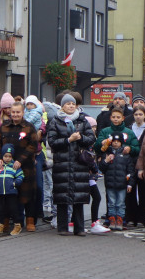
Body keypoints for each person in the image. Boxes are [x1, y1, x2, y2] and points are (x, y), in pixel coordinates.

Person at [46, 93, 96, 236]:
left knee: (78, 197)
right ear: (62, 106)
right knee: (62, 197)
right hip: (62, 163)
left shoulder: (82, 120)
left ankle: (79, 228)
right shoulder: (55, 121)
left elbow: (91, 138)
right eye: (68, 104)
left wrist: (79, 138)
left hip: (79, 163)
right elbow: (52, 142)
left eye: (73, 104)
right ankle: (62, 227)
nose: (71, 106)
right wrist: (68, 139)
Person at [0, 100, 40, 231]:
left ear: (23, 112)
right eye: (13, 112)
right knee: (7, 195)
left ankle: (30, 221)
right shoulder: (4, 126)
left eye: (18, 112)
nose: (15, 114)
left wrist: (20, 160)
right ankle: (5, 221)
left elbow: (33, 145)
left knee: (28, 194)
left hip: (25, 167)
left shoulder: (29, 127)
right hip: (6, 168)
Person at [94, 104, 140, 232]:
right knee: (110, 197)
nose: (115, 119)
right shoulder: (105, 131)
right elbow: (97, 147)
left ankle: (122, 218)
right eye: (113, 117)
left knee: (122, 198)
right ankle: (110, 218)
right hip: (109, 167)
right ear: (110, 118)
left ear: (123, 118)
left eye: (118, 117)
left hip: (124, 167)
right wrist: (101, 143)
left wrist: (131, 148)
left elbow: (137, 149)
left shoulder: (129, 132)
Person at [98, 129, 135, 232]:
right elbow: (101, 168)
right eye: (113, 141)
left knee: (120, 203)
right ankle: (112, 219)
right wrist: (106, 160)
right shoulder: (107, 153)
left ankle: (120, 219)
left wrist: (130, 184)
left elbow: (131, 170)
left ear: (121, 142)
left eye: (118, 141)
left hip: (122, 184)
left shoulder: (126, 155)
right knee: (111, 202)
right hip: (110, 183)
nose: (115, 143)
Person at [0, 144, 25, 235]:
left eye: (9, 156)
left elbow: (20, 176)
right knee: (0, 210)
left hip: (11, 192)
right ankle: (0, 225)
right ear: (2, 156)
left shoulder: (14, 166)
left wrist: (15, 183)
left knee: (13, 209)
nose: (7, 158)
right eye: (5, 156)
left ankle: (17, 225)